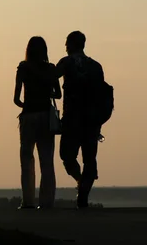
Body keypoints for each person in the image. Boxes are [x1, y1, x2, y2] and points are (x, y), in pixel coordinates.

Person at [55, 31, 105, 209]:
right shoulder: (95, 66)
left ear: (72, 44)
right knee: (90, 158)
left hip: (72, 119)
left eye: (67, 43)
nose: (65, 47)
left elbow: (52, 77)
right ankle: (83, 191)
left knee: (67, 156)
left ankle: (80, 183)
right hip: (92, 120)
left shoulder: (66, 62)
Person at [14, 36, 62, 209]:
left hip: (28, 116)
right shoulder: (50, 68)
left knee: (26, 160)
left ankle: (28, 201)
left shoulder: (23, 68)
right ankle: (47, 201)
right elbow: (58, 94)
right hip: (45, 117)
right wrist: (45, 91)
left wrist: (27, 103)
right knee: (47, 160)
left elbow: (16, 99)